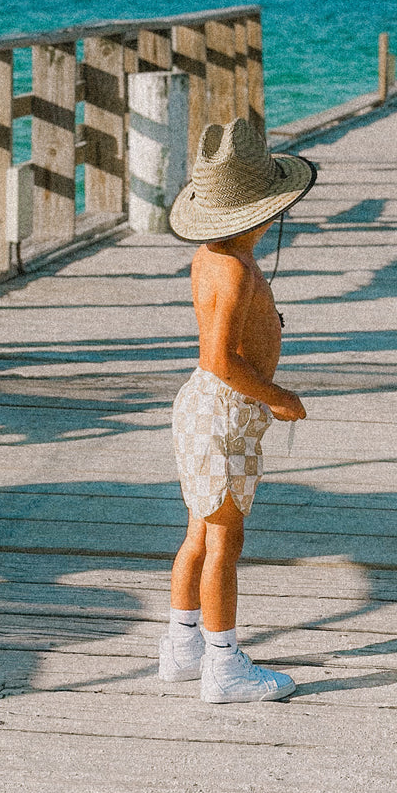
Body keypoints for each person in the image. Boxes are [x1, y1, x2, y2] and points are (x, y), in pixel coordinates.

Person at [162, 118, 316, 703]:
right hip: (223, 412)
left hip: (211, 410)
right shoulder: (231, 271)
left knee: (200, 531)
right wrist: (280, 397)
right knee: (226, 542)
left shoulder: (213, 256)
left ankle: (183, 646)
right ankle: (224, 665)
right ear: (262, 212)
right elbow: (221, 359)